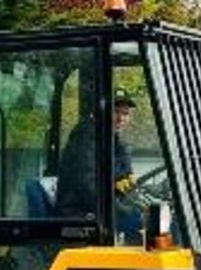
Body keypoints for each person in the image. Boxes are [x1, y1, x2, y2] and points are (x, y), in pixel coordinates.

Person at [54, 91, 138, 224]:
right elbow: (87, 186)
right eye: (115, 112)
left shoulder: (114, 140)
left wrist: (135, 203)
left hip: (101, 210)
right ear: (101, 111)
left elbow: (126, 175)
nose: (121, 118)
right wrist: (124, 211)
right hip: (78, 214)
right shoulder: (85, 137)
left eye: (125, 114)